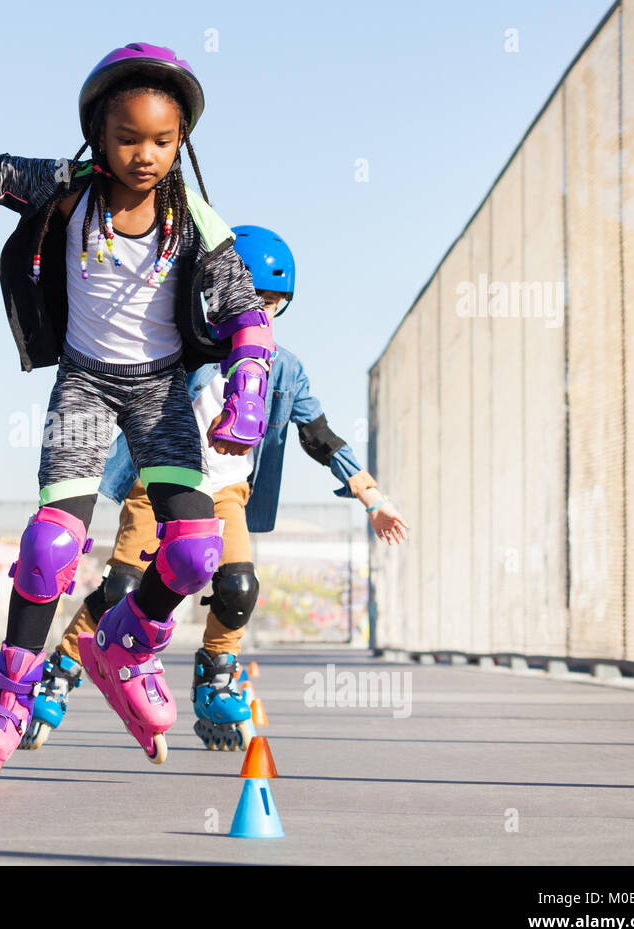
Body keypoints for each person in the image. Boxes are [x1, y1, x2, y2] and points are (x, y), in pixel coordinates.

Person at [0, 43, 277, 790]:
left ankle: (127, 643)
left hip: (158, 392)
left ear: (183, 142)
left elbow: (247, 316)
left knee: (197, 553)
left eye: (164, 140)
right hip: (85, 384)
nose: (147, 155)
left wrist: (248, 393)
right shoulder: (66, 188)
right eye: (129, 138)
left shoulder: (196, 219)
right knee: (50, 547)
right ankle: (10, 693)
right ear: (99, 138)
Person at [21, 227, 410, 751]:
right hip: (157, 482)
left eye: (273, 305)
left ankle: (216, 675)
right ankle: (62, 668)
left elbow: (320, 438)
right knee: (123, 590)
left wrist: (375, 501)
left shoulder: (284, 368)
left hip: (227, 494)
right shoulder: (185, 345)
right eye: (253, 301)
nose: (261, 315)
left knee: (238, 588)